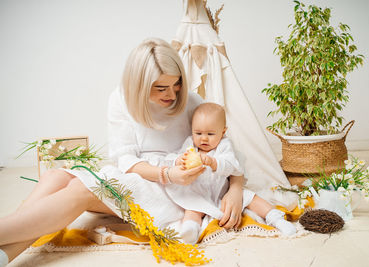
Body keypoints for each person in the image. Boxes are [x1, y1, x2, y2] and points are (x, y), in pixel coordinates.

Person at [0, 38, 244, 266]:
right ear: (139, 84)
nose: (171, 94)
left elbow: (227, 150)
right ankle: (5, 253)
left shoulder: (191, 102)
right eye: (160, 88)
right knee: (55, 177)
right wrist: (167, 173)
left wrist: (235, 190)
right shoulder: (120, 100)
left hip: (177, 193)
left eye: (176, 84)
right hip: (147, 176)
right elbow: (126, 160)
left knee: (81, 189)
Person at [163, 103, 297, 244]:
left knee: (252, 198)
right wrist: (179, 160)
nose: (203, 139)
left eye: (210, 134)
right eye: (198, 133)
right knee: (192, 209)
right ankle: (190, 230)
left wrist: (214, 163)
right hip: (200, 192)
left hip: (224, 192)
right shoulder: (190, 144)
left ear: (223, 132)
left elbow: (232, 165)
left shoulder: (224, 145)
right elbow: (171, 158)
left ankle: (276, 218)